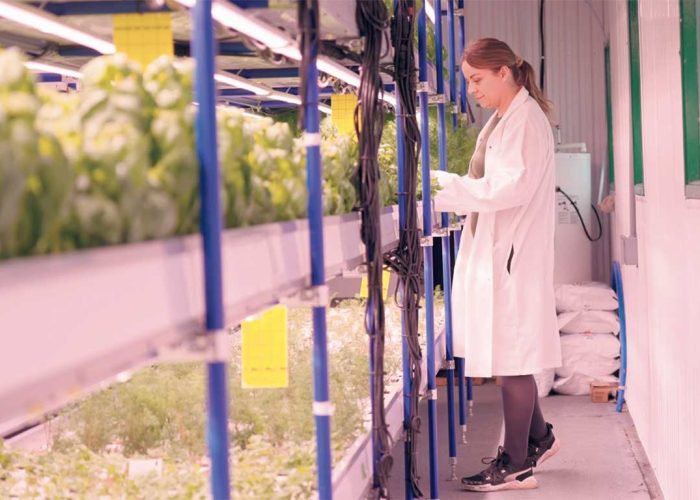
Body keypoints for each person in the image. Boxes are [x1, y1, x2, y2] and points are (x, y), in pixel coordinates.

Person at [431, 37, 562, 492]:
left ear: (503, 72)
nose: (471, 89)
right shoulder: (505, 118)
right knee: (511, 354)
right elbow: (488, 182)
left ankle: (517, 464)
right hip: (502, 251)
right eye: (468, 81)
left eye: (476, 79)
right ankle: (540, 439)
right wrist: (453, 187)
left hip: (512, 257)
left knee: (512, 361)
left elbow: (506, 189)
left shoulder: (524, 122)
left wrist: (442, 186)